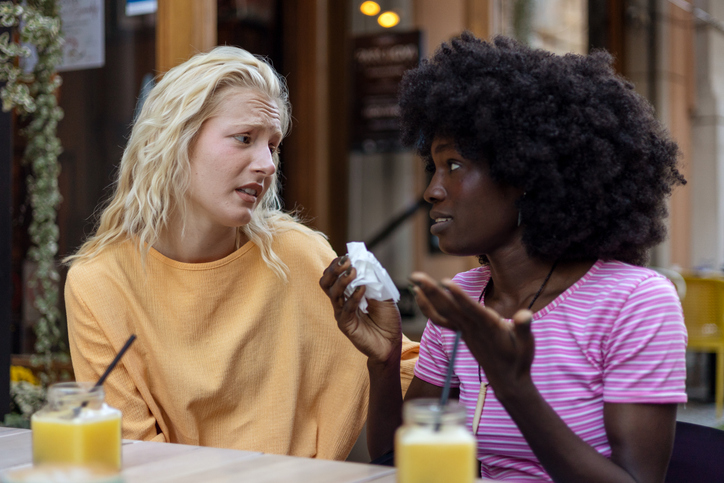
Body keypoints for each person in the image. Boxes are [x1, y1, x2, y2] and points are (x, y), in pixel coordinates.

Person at [320, 34, 687, 481]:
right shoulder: (463, 298)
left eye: (453, 165)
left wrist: (517, 388)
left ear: (523, 174)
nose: (432, 190)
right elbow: (400, 463)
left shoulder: (635, 301)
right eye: (432, 168)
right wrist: (384, 359)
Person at [64, 46, 417, 460]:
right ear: (174, 139)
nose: (267, 164)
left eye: (273, 145)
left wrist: (388, 355)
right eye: (244, 139)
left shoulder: (298, 254)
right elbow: (136, 456)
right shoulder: (99, 284)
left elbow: (419, 391)